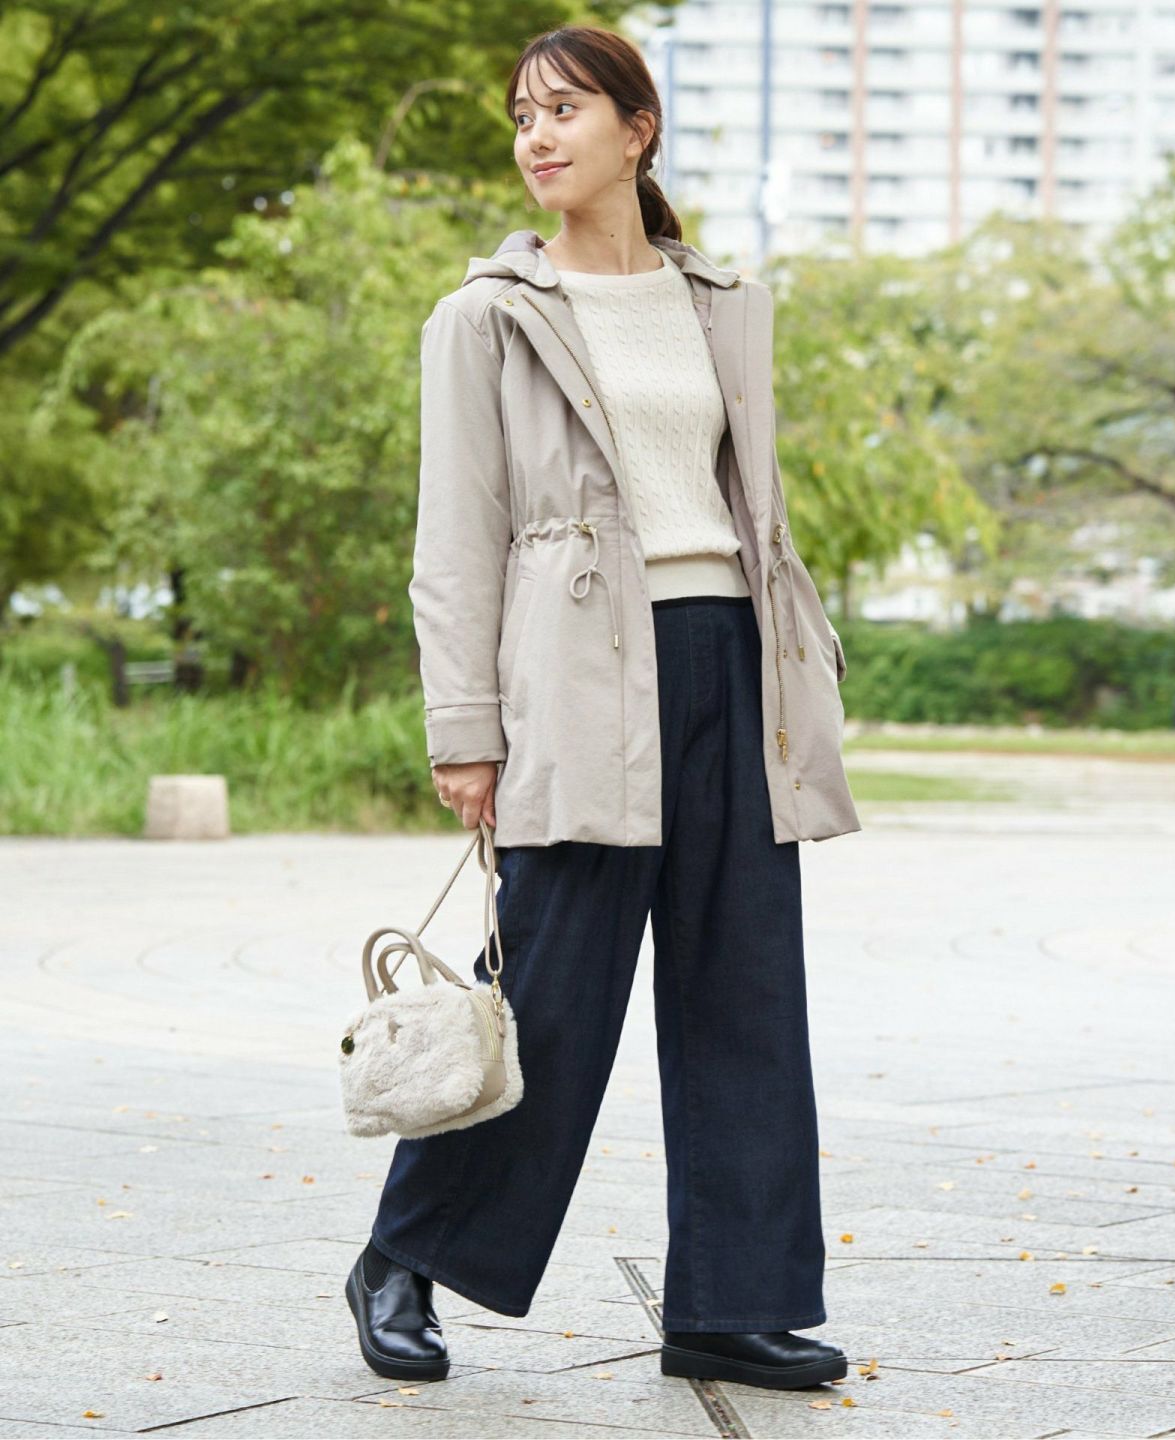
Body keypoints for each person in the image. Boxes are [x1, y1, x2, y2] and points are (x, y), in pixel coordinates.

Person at [344, 23, 860, 1394]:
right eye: (523, 114)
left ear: (639, 130)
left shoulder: (719, 303)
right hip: (577, 679)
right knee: (553, 994)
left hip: (731, 660)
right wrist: (466, 727)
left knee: (747, 995)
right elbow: (455, 537)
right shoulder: (486, 316)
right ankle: (401, 1259)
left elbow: (749, 508)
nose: (537, 135)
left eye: (566, 109)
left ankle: (735, 1305)